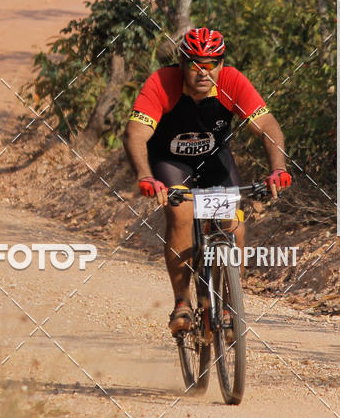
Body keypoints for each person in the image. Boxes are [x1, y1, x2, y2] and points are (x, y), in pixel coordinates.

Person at [123, 27, 291, 336]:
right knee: (181, 214)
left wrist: (277, 168)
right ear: (182, 63)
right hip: (170, 162)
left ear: (222, 64)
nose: (204, 71)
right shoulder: (162, 82)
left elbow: (267, 125)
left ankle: (229, 307)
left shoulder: (232, 82)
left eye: (212, 63)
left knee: (235, 225)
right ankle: (181, 303)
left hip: (215, 162)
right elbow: (135, 132)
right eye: (195, 63)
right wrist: (146, 176)